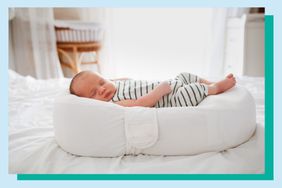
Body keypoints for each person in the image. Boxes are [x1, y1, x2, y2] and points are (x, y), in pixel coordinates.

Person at [69, 71, 236, 108]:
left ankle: (209, 82)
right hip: (171, 99)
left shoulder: (114, 84)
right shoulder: (114, 102)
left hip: (170, 84)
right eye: (93, 93)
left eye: (101, 81)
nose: (101, 89)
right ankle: (215, 88)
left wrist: (112, 80)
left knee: (184, 75)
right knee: (190, 90)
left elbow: (124, 79)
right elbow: (140, 103)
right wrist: (160, 92)